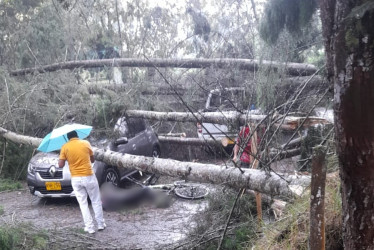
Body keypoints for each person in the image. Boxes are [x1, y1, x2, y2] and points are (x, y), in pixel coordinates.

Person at [58, 130, 105, 234]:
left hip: (76, 178)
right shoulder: (85, 143)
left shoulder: (65, 147)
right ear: (77, 136)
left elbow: (60, 165)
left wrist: (64, 157)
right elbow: (92, 160)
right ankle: (101, 224)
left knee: (83, 204)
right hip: (89, 176)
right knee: (95, 200)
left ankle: (90, 227)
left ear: (68, 137)